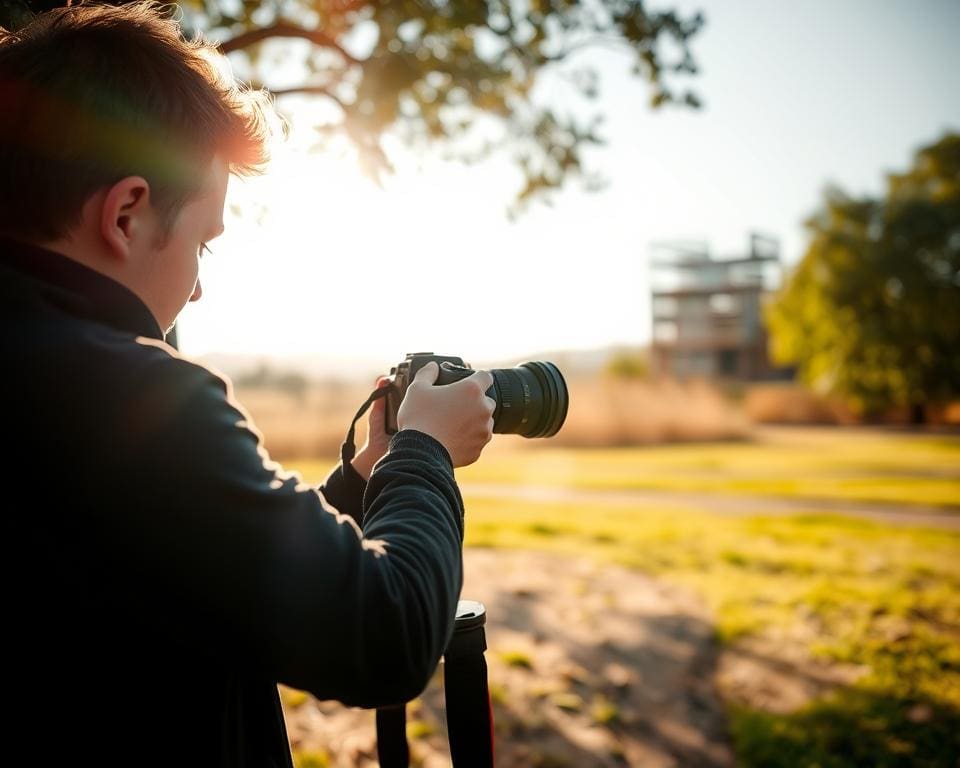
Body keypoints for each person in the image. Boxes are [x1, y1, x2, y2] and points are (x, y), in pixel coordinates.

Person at [0, 2, 495, 765]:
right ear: (127, 213)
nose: (197, 288)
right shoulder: (131, 397)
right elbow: (385, 633)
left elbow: (193, 561)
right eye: (204, 241)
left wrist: (364, 480)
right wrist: (425, 451)